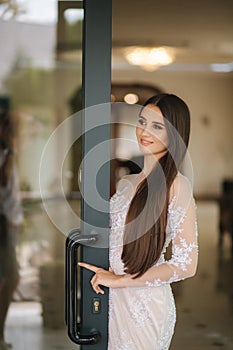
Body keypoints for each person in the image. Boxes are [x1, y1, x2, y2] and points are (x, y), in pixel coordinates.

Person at [79, 93, 198, 349]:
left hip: (144, 305)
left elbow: (187, 265)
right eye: (142, 121)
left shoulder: (177, 186)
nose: (144, 131)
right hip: (113, 299)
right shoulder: (126, 183)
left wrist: (121, 281)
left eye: (157, 126)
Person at [0, 103, 23, 350]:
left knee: (10, 279)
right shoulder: (5, 157)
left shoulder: (8, 155)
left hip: (8, 223)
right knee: (9, 279)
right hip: (4, 224)